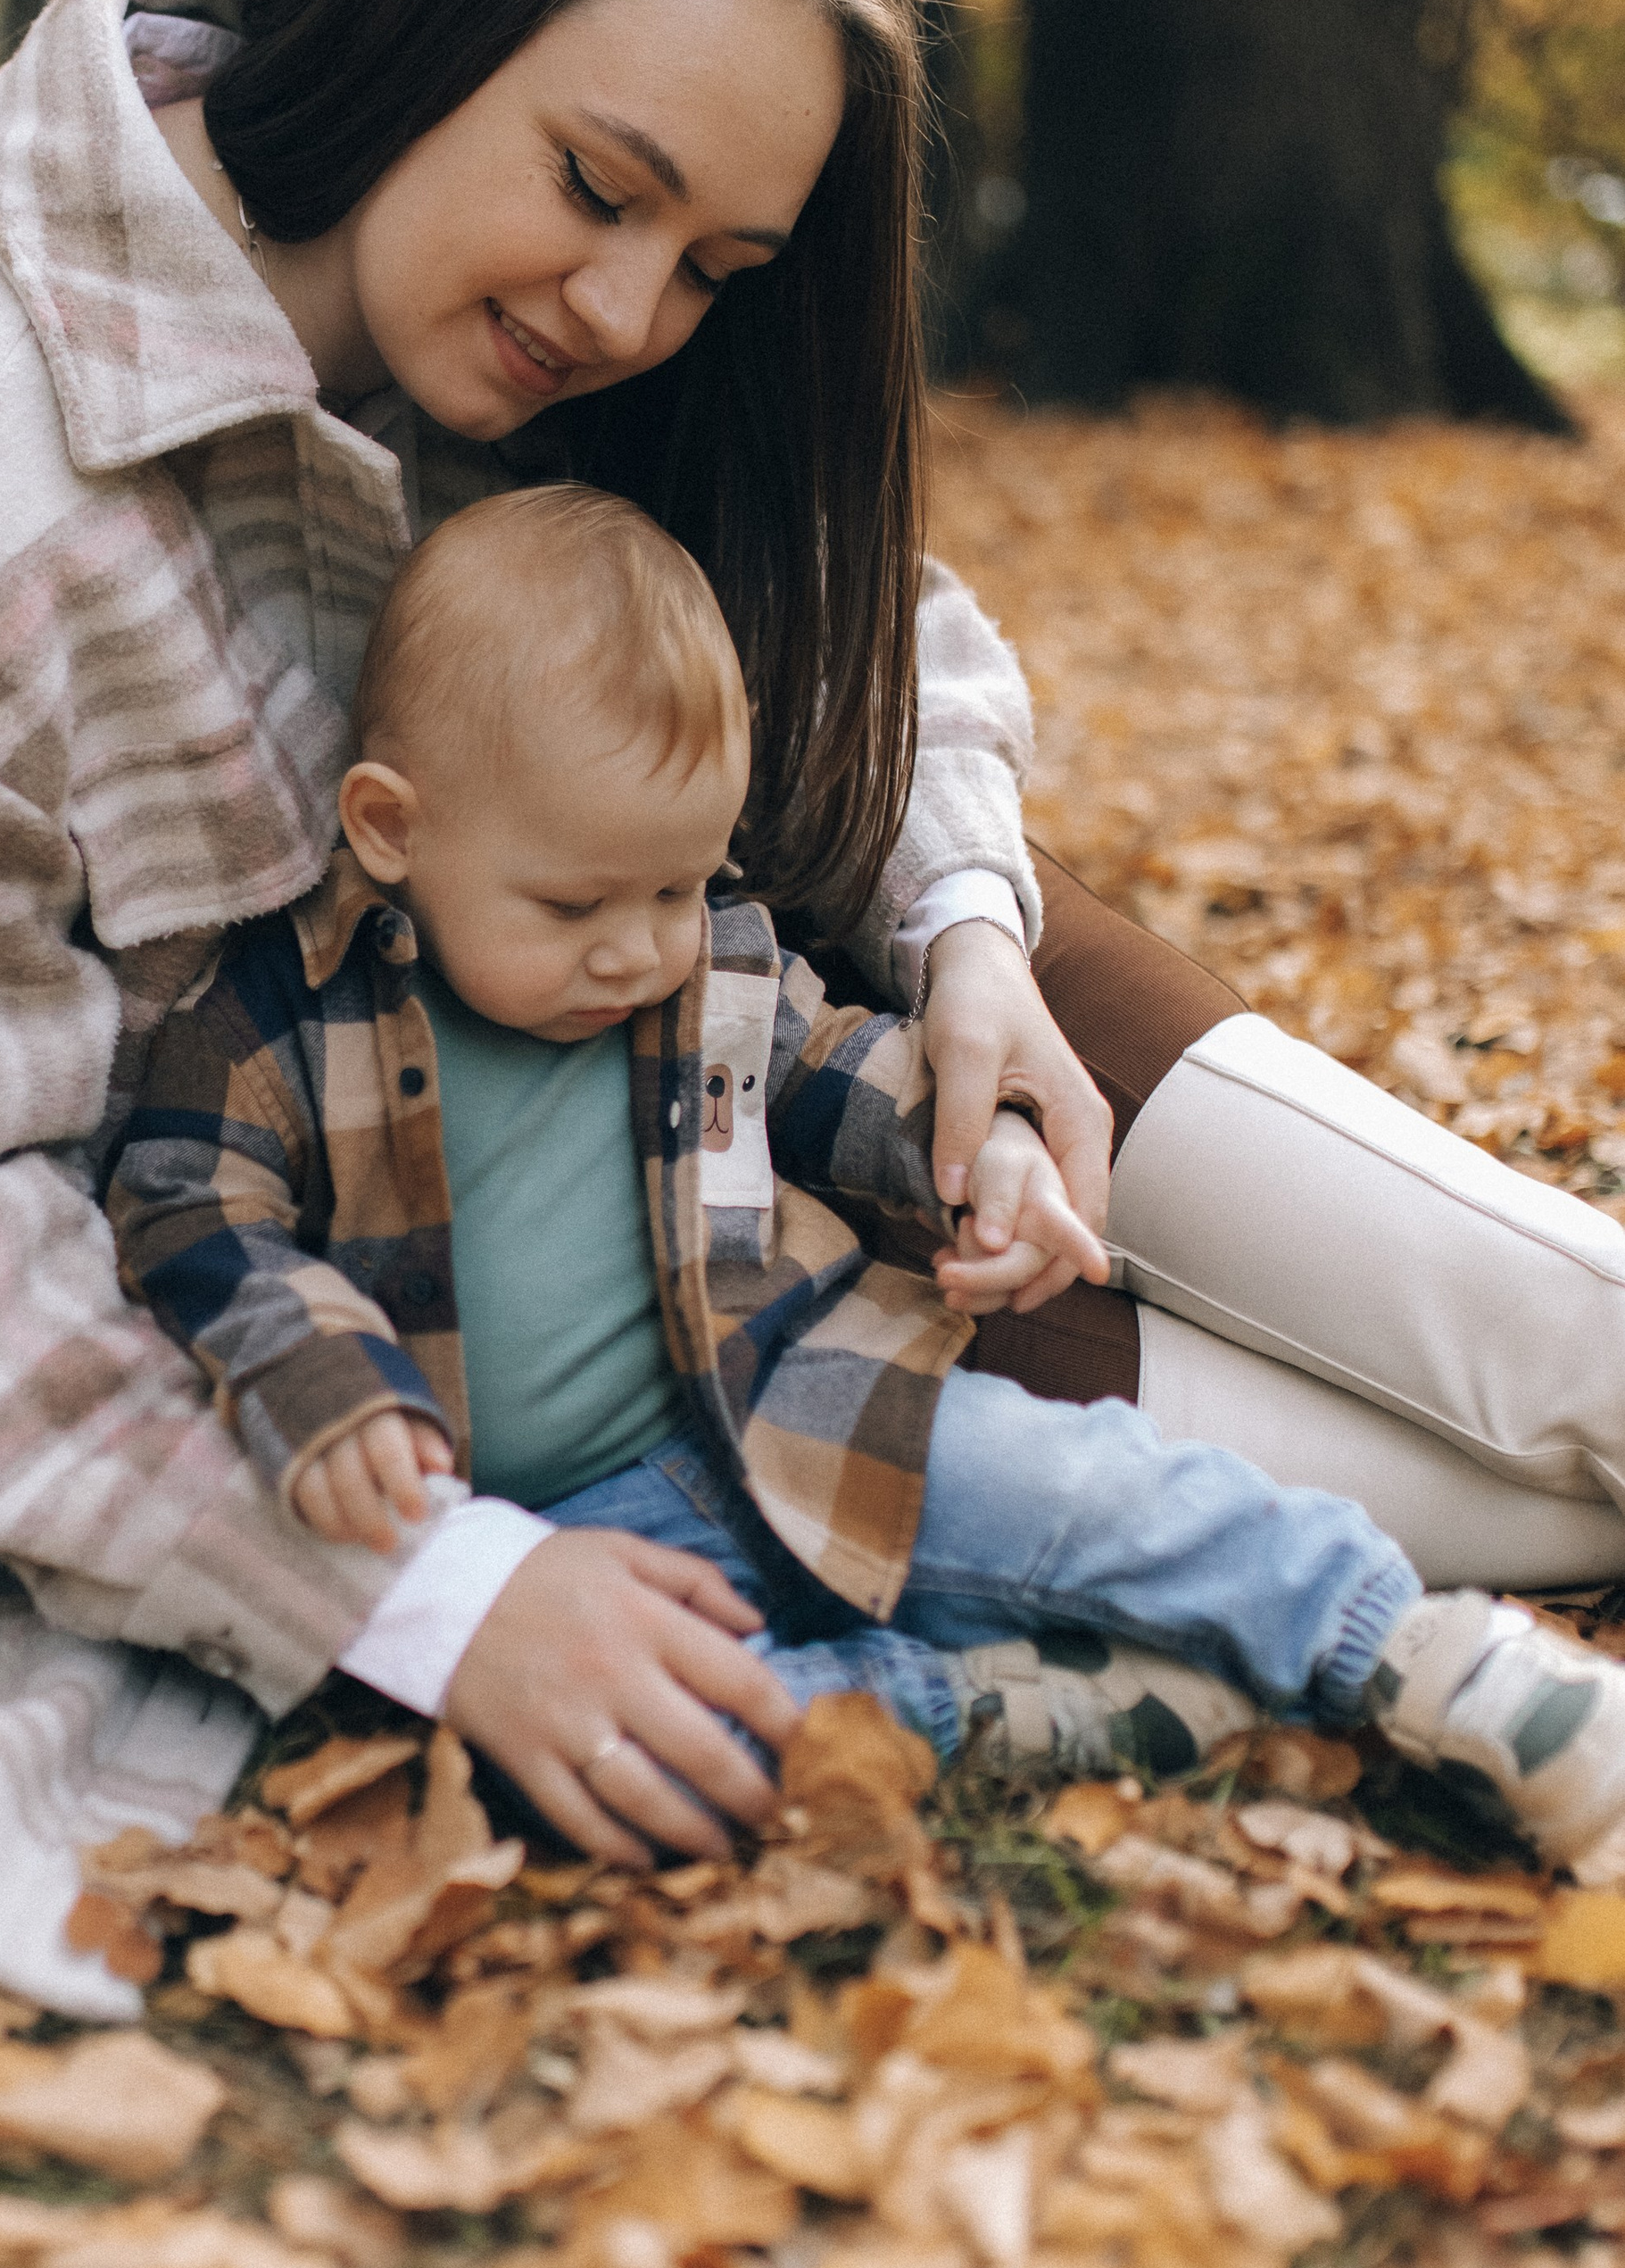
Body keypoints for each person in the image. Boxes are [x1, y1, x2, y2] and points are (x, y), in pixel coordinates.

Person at [0, 0, 1625, 1854]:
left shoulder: (492, 331)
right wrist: (439, 1599)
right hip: (301, 1335)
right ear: (437, 4)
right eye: (598, 187)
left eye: (714, 268)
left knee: (1543, 1342)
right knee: (1521, 1478)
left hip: (645, 1102)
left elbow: (862, 635)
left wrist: (969, 943)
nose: (628, 309)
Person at [107, 486, 1625, 1873]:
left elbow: (848, 1069)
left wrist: (994, 1151)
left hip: (821, 1402)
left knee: (1103, 1499)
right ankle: (1007, 1705)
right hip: (578, 1547)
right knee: (630, 1769)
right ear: (391, 828)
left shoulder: (699, 971)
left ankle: (1421, 1653)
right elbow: (190, 1207)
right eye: (577, 902)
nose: (640, 947)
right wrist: (323, 1377)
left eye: (676, 886)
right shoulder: (279, 1025)